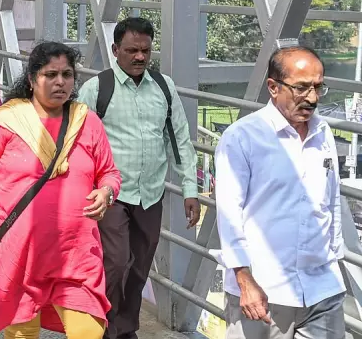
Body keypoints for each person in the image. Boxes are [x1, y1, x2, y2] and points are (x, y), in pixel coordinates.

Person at [0, 41, 121, 339]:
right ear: (32, 80)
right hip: (19, 254)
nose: (60, 82)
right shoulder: (5, 123)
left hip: (76, 254)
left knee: (88, 331)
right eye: (50, 75)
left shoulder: (87, 121)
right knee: (22, 333)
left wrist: (107, 191)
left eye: (67, 74)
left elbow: (108, 172)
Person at [77, 17, 200, 339]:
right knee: (115, 262)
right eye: (132, 50)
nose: (140, 57)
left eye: (146, 50)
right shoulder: (96, 89)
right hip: (109, 194)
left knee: (140, 263)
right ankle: (102, 324)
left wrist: (190, 189)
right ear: (116, 50)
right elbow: (77, 143)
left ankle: (124, 327)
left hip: (151, 192)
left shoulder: (163, 86)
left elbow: (180, 140)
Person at [214, 46, 345, 338]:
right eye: (301, 88)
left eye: (317, 87)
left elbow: (332, 201)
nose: (311, 98)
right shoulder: (241, 138)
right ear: (273, 87)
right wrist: (244, 280)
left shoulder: (323, 133)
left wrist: (336, 260)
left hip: (321, 287)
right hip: (263, 290)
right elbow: (228, 213)